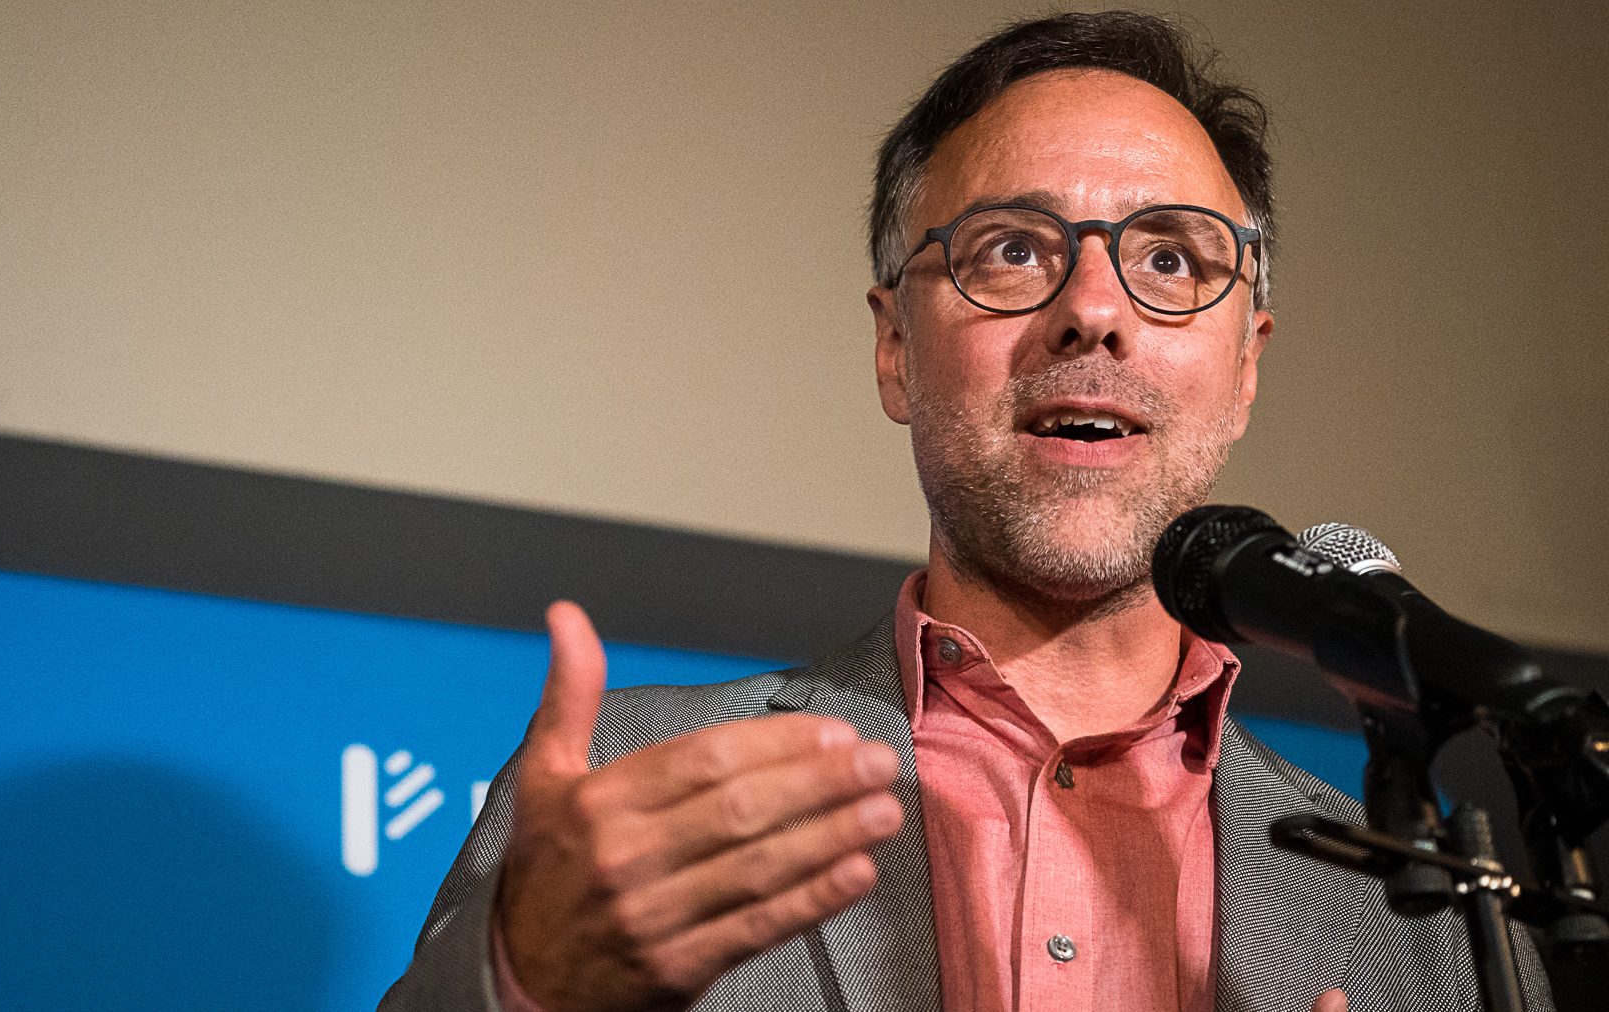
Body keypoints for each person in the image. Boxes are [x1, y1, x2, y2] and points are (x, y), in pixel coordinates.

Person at [380, 12, 1551, 1012]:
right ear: (896, 349)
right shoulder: (635, 782)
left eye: (1174, 261)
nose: (1095, 310)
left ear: (1245, 366)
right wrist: (522, 974)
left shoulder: (1421, 921)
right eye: (1010, 249)